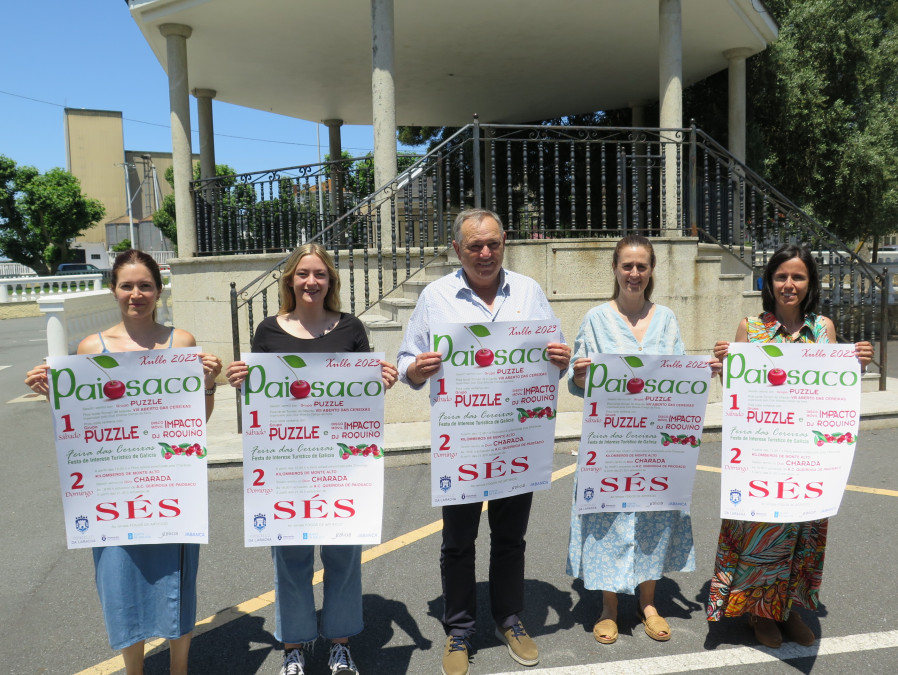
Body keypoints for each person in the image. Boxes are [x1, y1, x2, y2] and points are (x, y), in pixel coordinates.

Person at [24, 249, 223, 675]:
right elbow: (80, 420)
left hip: (168, 485)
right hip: (113, 489)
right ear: (113, 289)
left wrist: (207, 385)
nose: (137, 294)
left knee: (176, 580)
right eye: (127, 285)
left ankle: (179, 669)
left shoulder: (180, 342)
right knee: (119, 582)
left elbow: (194, 423)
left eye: (145, 285)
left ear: (159, 289)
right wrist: (50, 394)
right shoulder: (90, 347)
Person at [396, 208, 571, 675]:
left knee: (510, 538)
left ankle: (509, 619)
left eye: (493, 243)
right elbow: (405, 361)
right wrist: (416, 369)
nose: (486, 253)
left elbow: (556, 354)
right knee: (458, 542)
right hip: (464, 443)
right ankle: (459, 630)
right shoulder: (436, 297)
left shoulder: (529, 292)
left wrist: (562, 356)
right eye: (475, 246)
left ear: (504, 241)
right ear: (457, 249)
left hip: (517, 439)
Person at [225, 242, 398, 675]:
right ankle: (295, 647)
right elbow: (262, 398)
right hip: (287, 463)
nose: (311, 282)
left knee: (343, 556)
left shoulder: (351, 327)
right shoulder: (268, 331)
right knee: (290, 560)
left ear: (330, 282)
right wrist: (240, 381)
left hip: (340, 466)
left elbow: (363, 394)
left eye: (320, 274)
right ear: (290, 281)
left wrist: (381, 380)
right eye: (303, 274)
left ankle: (339, 645)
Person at [707, 243, 873, 648]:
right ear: (769, 282)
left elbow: (834, 391)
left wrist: (857, 362)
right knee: (764, 529)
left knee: (803, 528)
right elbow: (740, 391)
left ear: (810, 282)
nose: (789, 284)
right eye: (781, 276)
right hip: (765, 447)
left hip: (807, 453)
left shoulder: (824, 329)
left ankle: (789, 608)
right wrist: (727, 364)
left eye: (798, 276)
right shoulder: (752, 327)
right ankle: (758, 613)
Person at [567, 234, 714, 646]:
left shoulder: (666, 318)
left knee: (653, 516)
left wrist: (704, 371)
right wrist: (580, 375)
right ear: (614, 268)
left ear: (651, 271)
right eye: (627, 266)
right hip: (610, 441)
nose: (634, 274)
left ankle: (648, 603)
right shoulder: (595, 318)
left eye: (642, 267)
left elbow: (678, 372)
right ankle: (610, 606)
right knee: (607, 520)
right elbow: (578, 381)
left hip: (655, 443)